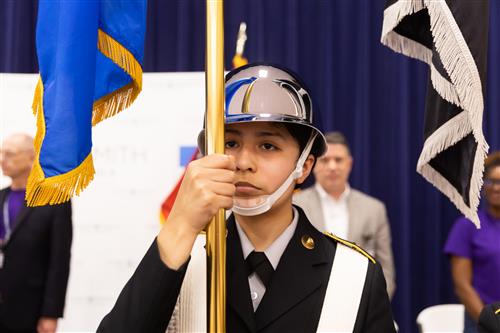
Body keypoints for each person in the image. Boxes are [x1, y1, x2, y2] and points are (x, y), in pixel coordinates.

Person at [97, 63, 395, 333]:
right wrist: (179, 225)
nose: (243, 162)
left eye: (267, 145)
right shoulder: (183, 255)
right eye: (230, 143)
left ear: (304, 166)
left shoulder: (354, 274)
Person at [293, 131, 396, 299]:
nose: (332, 166)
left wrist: (376, 306)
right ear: (313, 165)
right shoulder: (294, 205)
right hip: (307, 304)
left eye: (338, 160)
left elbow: (386, 268)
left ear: (349, 164)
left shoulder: (374, 209)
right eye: (325, 160)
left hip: (361, 301)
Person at [0, 134, 72, 333]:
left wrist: (51, 313)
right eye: (1, 153)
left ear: (32, 157)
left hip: (29, 308)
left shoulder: (54, 201)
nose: (2, 160)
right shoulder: (1, 198)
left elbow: (59, 262)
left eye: (10, 154)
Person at [444, 152, 500, 333]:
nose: (496, 188)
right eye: (491, 181)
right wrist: (491, 323)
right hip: (481, 323)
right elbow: (462, 286)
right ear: (483, 186)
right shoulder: (467, 226)